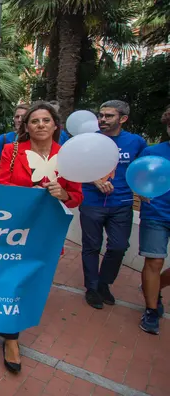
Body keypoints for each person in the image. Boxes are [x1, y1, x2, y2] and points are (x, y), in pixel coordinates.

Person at [0, 101, 83, 373]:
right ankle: (11, 337)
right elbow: (0, 184)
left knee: (30, 281)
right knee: (11, 279)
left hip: (48, 230)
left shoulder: (67, 156)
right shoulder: (12, 151)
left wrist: (63, 194)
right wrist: (29, 193)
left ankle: (10, 331)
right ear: (26, 126)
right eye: (35, 121)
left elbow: (76, 196)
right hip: (15, 229)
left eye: (46, 120)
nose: (40, 125)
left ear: (55, 125)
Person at [80, 100, 147, 309]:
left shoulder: (136, 142)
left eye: (109, 116)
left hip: (122, 203)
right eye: (101, 115)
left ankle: (104, 283)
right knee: (91, 246)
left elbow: (142, 169)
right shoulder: (89, 140)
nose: (102, 120)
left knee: (118, 247)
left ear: (123, 119)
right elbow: (76, 166)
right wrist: (95, 180)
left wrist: (144, 189)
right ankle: (91, 288)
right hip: (91, 201)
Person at [137, 106, 170, 335]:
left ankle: (155, 285)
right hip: (157, 213)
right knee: (154, 262)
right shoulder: (153, 152)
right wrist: (141, 193)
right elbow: (137, 177)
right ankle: (151, 309)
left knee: (155, 270)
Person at [0, 104, 30, 169]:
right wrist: (7, 173)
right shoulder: (3, 138)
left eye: (23, 117)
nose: (19, 120)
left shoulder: (37, 140)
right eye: (17, 117)